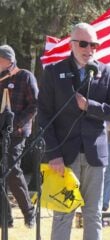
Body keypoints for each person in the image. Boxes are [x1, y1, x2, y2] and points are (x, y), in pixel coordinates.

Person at [38, 23, 110, 240]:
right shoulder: (53, 72)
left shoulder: (106, 72)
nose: (89, 49)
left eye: (94, 44)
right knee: (63, 213)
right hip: (64, 157)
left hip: (95, 155)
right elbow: (44, 117)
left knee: (93, 213)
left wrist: (89, 105)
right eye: (84, 44)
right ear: (72, 43)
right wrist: (54, 154)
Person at [0, 44, 38, 228]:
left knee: (12, 170)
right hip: (1, 133)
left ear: (9, 59)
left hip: (18, 133)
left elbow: (35, 105)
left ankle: (28, 211)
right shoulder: (1, 79)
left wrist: (16, 124)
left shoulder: (25, 76)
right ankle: (5, 217)